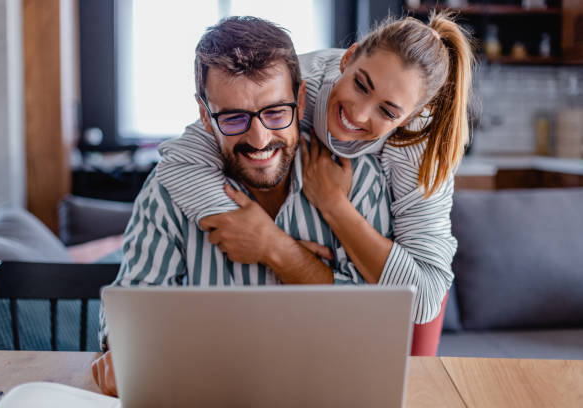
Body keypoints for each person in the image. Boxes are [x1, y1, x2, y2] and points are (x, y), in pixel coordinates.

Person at [93, 16, 393, 396]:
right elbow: (130, 305)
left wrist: (278, 249)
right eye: (233, 117)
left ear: (300, 101)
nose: (259, 138)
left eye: (275, 112)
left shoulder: (360, 181)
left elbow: (375, 327)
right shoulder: (168, 191)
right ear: (205, 115)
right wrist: (122, 350)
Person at [157, 10, 474, 340]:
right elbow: (179, 160)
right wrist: (266, 237)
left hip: (391, 310)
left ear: (411, 116)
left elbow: (423, 298)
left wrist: (333, 205)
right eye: (361, 85)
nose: (358, 113)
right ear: (348, 59)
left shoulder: (417, 146)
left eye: (387, 111)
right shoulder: (295, 82)